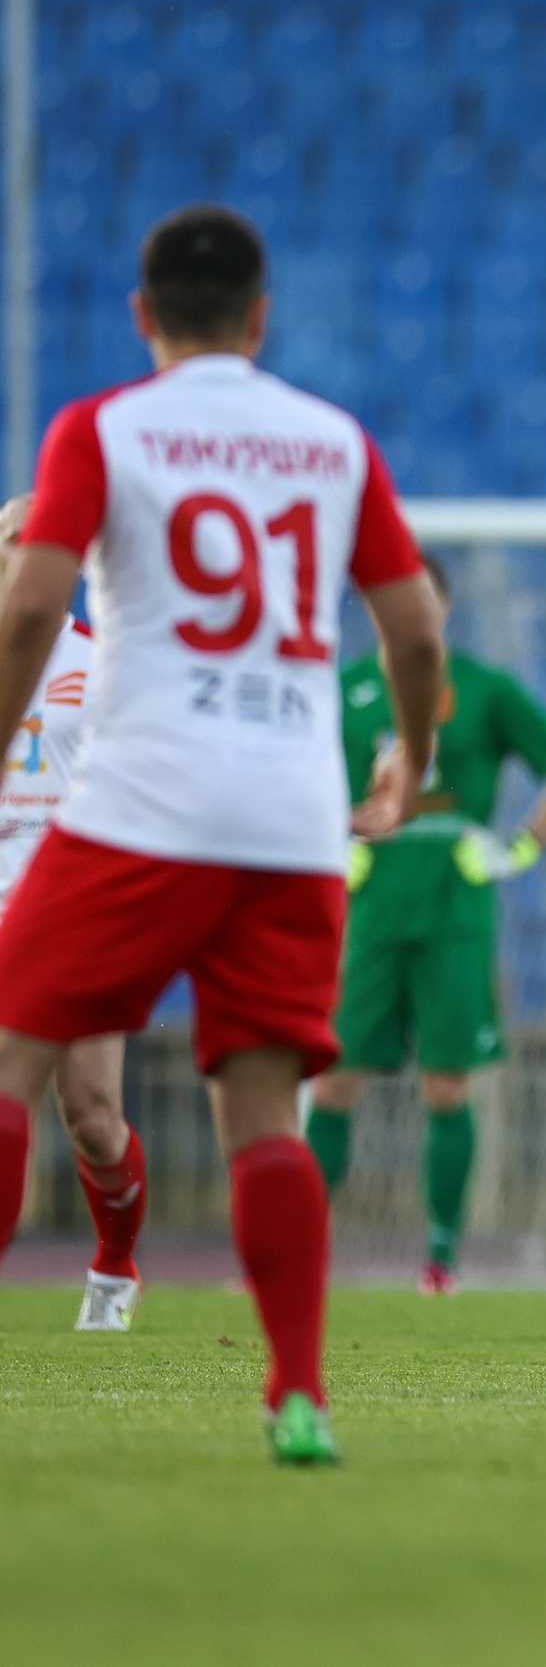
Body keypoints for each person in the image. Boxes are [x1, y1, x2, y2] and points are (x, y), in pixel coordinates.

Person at [0, 204, 445, 1465]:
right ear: (262, 318)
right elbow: (413, 632)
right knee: (263, 1113)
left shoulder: (102, 429)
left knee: (11, 1065)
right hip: (288, 818)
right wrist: (408, 764)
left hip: (142, 802)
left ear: (143, 318)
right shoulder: (331, 442)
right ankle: (296, 1397)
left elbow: (35, 604)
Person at [304, 552, 546, 1293]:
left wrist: (519, 847)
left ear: (446, 608)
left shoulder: (485, 689)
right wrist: (333, 844)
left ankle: (440, 1256)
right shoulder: (345, 693)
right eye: (394, 602)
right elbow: (297, 782)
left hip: (455, 911)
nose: (410, 615)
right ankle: (299, 1246)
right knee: (335, 1074)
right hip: (370, 908)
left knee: (447, 1083)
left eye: (424, 602)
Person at [0, 497, 148, 1331]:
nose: (26, 550)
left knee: (92, 1116)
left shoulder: (99, 668)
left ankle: (116, 1264)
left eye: (39, 538)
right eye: (13, 537)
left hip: (66, 911)